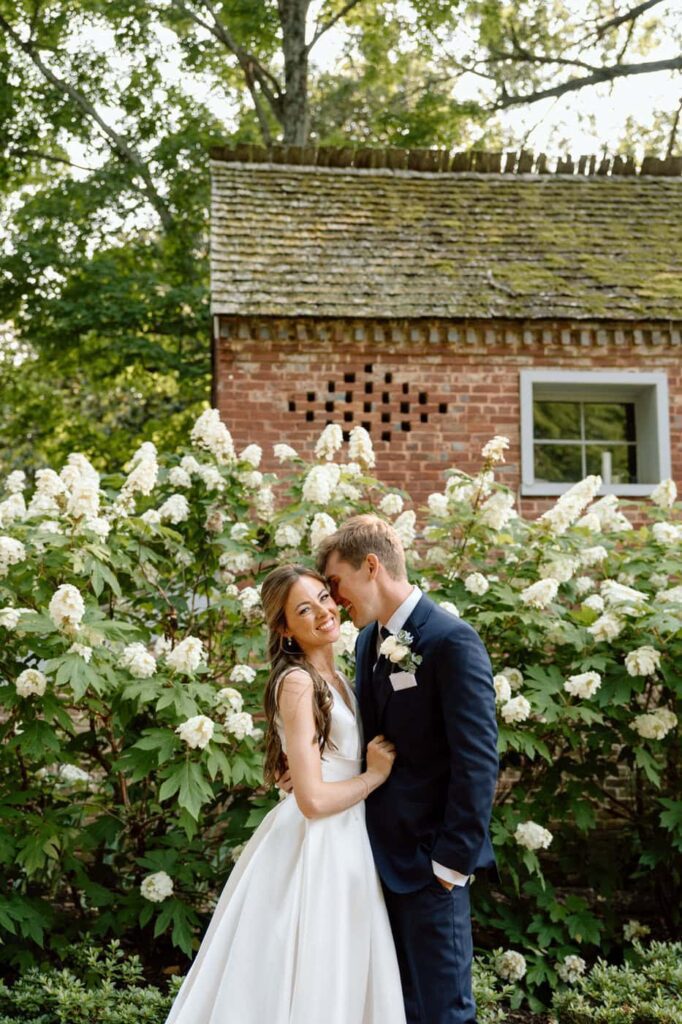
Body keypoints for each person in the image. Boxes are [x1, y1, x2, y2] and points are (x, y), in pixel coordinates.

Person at [164, 563, 407, 1024]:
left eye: (323, 597)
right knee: (312, 972)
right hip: (318, 847)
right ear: (285, 629)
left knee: (341, 970)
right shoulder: (296, 683)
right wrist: (374, 775)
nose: (322, 611)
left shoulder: (341, 676)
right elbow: (312, 800)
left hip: (349, 838)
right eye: (304, 609)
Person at [316, 514, 499, 1024]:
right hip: (374, 859)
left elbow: (478, 760)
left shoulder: (450, 641)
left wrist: (449, 866)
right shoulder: (364, 641)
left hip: (428, 866)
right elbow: (371, 742)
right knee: (395, 1010)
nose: (333, 600)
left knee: (444, 1012)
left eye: (336, 584)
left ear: (371, 566)